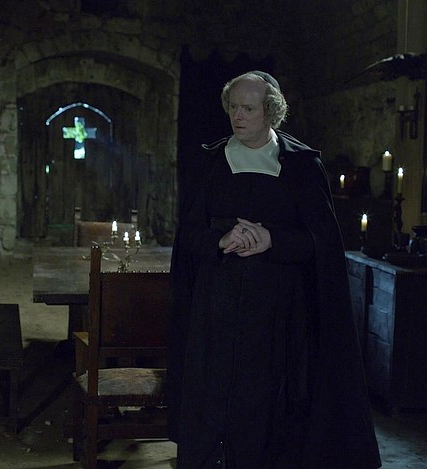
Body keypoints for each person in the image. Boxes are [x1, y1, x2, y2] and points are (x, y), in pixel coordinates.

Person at [166, 71, 381, 468]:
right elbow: (188, 237)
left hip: (278, 318)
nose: (238, 116)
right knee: (211, 404)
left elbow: (323, 244)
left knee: (269, 414)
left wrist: (273, 240)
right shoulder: (211, 162)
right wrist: (220, 240)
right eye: (233, 107)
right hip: (216, 313)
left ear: (271, 112)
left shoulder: (301, 166)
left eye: (248, 109)